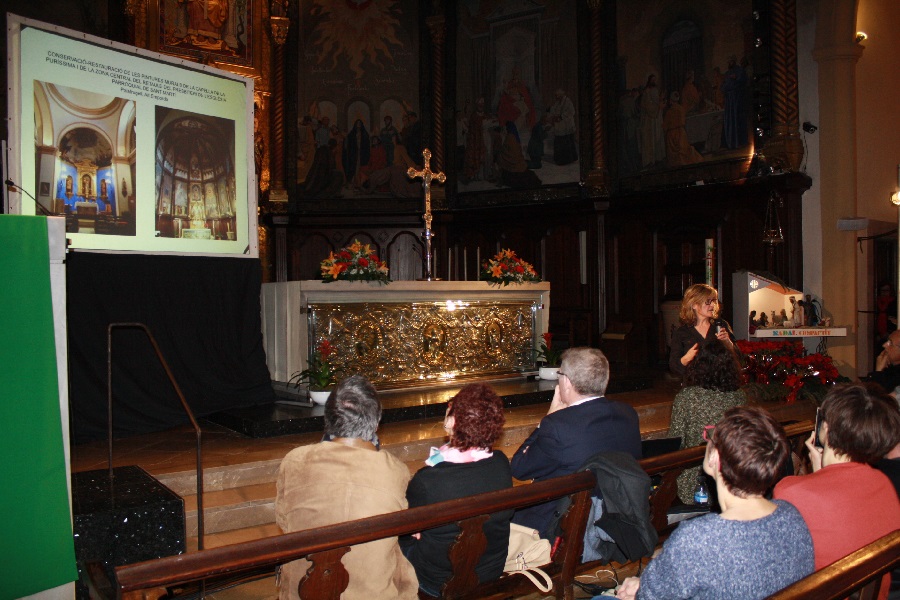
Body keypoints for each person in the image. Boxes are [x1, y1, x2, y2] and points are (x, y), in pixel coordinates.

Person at [614, 407, 814, 600]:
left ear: (715, 458)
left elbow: (650, 596)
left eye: (711, 436)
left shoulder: (699, 538)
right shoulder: (792, 516)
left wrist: (641, 585)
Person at [275, 375, 418, 600]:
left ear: (328, 418)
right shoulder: (395, 470)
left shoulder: (294, 461)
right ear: (376, 422)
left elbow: (284, 521)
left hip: (303, 591)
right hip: (374, 593)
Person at [773, 383, 900, 600]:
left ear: (826, 429)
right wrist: (821, 474)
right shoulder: (882, 483)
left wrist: (815, 477)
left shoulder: (791, 491)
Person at [511, 347, 641, 538]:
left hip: (561, 525)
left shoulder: (557, 425)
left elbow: (519, 468)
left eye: (560, 374)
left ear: (567, 382)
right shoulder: (627, 413)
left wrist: (546, 419)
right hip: (615, 517)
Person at [400, 383, 513, 596]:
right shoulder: (500, 463)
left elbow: (405, 530)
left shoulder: (429, 479)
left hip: (438, 579)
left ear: (452, 421)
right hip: (490, 570)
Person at [667, 340, 746, 504]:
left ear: (698, 365)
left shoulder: (687, 398)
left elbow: (675, 442)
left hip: (693, 483)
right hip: (731, 477)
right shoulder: (739, 397)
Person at [668, 284, 736, 377]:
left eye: (714, 301)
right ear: (694, 304)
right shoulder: (682, 332)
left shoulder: (720, 325)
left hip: (720, 384)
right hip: (694, 386)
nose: (712, 305)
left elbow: (739, 359)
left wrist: (728, 344)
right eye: (708, 302)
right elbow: (674, 367)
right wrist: (686, 358)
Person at [866, 329, 900, 395]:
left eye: (890, 343)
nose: (884, 345)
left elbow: (874, 397)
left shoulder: (896, 377)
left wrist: (878, 371)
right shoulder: (890, 369)